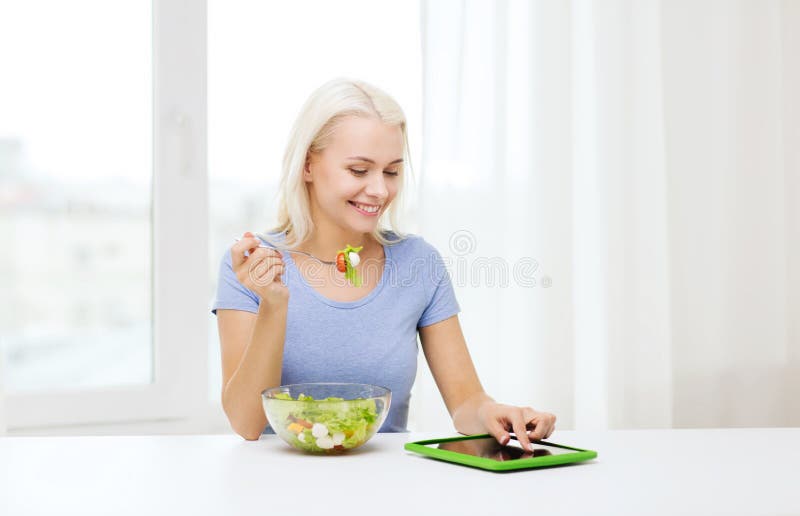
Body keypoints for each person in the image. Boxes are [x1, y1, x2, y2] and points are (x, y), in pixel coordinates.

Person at [211, 78, 556, 452]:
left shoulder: (419, 263)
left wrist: (497, 414)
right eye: (359, 170)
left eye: (391, 172)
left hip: (388, 486)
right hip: (275, 490)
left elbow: (467, 403)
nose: (379, 190)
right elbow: (247, 423)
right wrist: (274, 303)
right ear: (308, 165)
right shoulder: (253, 266)